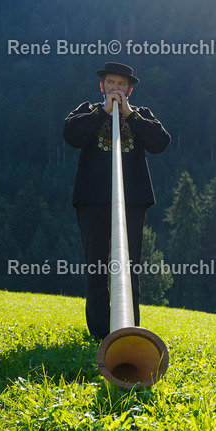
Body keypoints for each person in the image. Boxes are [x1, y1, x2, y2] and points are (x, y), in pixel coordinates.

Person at [63, 62, 171, 340]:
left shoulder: (141, 115)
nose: (115, 88)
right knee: (97, 266)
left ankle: (128, 330)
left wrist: (129, 115)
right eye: (111, 82)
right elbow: (71, 135)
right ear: (102, 86)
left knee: (130, 266)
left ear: (129, 90)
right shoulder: (88, 110)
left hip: (131, 201)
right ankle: (100, 332)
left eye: (121, 84)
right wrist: (103, 112)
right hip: (92, 200)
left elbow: (161, 143)